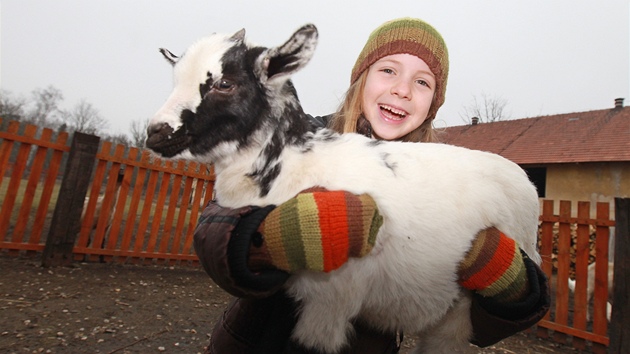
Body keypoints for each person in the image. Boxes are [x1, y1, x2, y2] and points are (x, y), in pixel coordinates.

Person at [193, 17, 550, 354]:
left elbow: (467, 321)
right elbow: (215, 224)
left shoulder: (443, 192)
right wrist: (264, 240)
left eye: (423, 82)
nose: (403, 90)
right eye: (388, 70)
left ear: (432, 106)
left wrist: (511, 285)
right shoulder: (295, 141)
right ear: (361, 78)